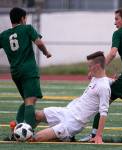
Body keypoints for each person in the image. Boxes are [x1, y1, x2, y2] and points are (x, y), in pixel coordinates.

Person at [80, 7, 122, 142]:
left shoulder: (119, 33)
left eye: (117, 19)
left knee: (103, 101)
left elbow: (112, 53)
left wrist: (97, 69)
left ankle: (94, 135)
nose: (115, 23)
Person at [29, 51, 111, 144]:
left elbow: (103, 112)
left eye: (90, 66)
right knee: (36, 115)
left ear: (97, 66)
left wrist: (98, 136)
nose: (88, 69)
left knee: (36, 138)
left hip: (73, 123)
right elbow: (107, 79)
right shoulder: (96, 77)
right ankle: (26, 131)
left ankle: (64, 136)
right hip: (67, 111)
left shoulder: (104, 87)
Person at [0, 7, 52, 140]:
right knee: (30, 100)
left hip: (15, 71)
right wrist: (46, 52)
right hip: (28, 69)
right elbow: (38, 42)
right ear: (23, 18)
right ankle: (27, 133)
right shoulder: (27, 28)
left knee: (28, 100)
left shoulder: (4, 35)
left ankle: (18, 126)